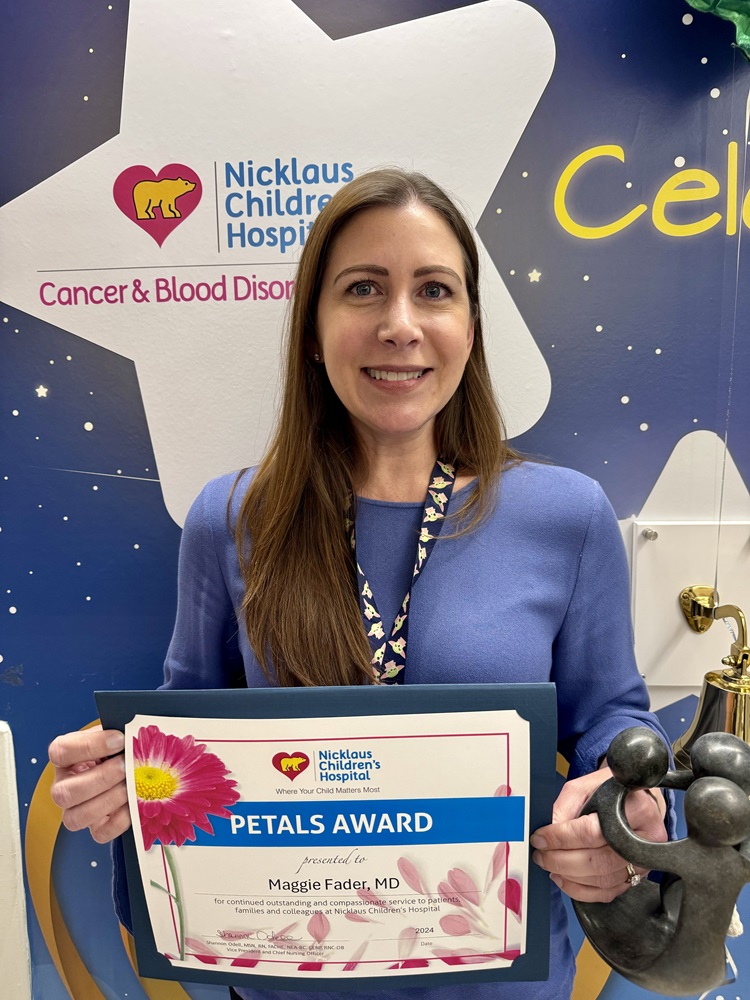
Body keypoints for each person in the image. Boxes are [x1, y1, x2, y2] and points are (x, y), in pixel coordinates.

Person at [48, 168, 670, 1000]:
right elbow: (185, 732)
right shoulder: (229, 518)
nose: (400, 325)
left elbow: (612, 723)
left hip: (497, 981)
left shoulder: (567, 515)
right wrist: (122, 777)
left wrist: (625, 805)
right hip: (284, 980)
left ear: (471, 326)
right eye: (363, 289)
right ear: (314, 327)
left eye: (435, 291)